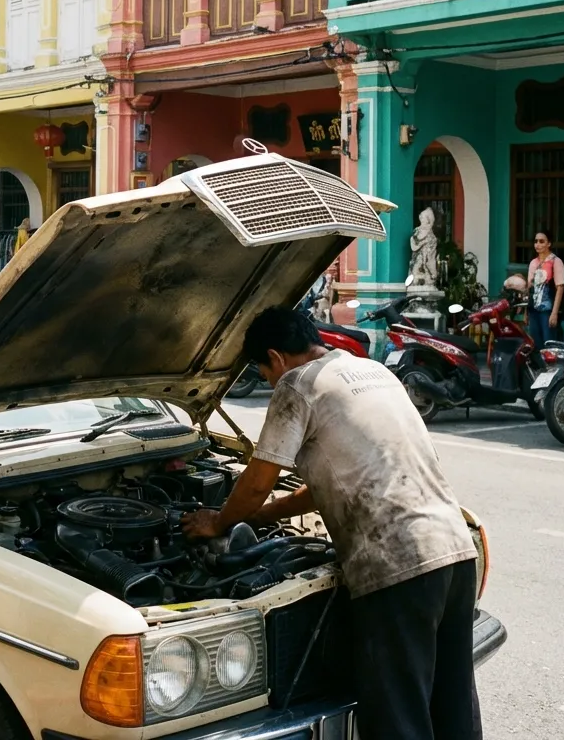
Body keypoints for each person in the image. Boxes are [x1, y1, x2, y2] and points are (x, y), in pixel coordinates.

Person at [182, 308, 480, 740]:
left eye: (264, 373)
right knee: (452, 707)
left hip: (396, 565)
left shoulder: (296, 385)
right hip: (453, 550)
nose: (269, 383)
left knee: (399, 717)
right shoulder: (371, 370)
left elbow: (255, 482)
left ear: (275, 357)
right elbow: (338, 482)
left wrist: (218, 522)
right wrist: (262, 517)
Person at [528, 230, 564, 350]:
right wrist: (525, 311)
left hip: (547, 310)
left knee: (548, 343)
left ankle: (551, 368)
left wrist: (554, 313)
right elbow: (530, 288)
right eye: (536, 241)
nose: (537, 244)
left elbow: (560, 288)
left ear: (549, 244)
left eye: (541, 241)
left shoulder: (556, 261)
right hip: (533, 309)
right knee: (535, 342)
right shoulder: (533, 263)